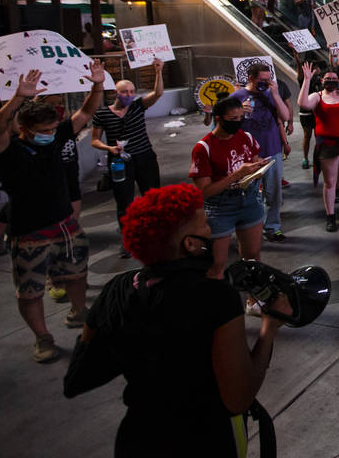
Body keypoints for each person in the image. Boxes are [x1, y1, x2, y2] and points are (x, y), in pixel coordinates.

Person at [63, 183, 290, 456]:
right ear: (190, 244)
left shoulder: (118, 290)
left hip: (139, 438)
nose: (211, 230)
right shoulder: (216, 297)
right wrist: (270, 326)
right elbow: (239, 397)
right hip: (203, 439)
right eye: (205, 225)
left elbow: (77, 377)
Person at [0, 63, 106, 362]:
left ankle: (79, 312)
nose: (51, 135)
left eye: (53, 129)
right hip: (29, 233)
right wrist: (16, 99)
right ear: (24, 129)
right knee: (30, 291)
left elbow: (86, 114)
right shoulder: (8, 152)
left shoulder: (57, 138)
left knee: (77, 274)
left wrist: (98, 86)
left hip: (66, 226)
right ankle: (43, 337)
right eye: (44, 131)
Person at [189, 96, 271, 286]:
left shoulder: (246, 137)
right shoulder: (204, 148)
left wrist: (257, 170)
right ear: (218, 118)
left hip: (248, 200)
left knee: (253, 256)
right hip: (220, 207)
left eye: (241, 118)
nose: (238, 123)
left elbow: (254, 162)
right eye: (233, 119)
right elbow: (204, 192)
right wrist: (235, 176)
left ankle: (253, 298)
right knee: (217, 264)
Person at [90, 61, 165, 256]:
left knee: (152, 196)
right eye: (125, 92)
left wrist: (158, 71)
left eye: (132, 91)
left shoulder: (137, 107)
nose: (129, 95)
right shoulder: (103, 113)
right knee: (124, 201)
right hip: (120, 160)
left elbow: (157, 94)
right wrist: (109, 148)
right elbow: (95, 140)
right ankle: (128, 239)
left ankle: (156, 234)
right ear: (116, 93)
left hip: (145, 157)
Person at [225, 64, 291, 243]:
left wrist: (276, 95)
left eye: (268, 79)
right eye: (261, 80)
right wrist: (238, 112)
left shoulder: (271, 94)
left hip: (272, 150)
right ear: (251, 78)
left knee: (274, 193)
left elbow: (285, 117)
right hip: (247, 156)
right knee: (249, 194)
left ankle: (272, 227)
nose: (265, 83)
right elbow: (224, 124)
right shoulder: (237, 97)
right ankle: (250, 228)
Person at [297, 64, 339, 232]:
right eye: (327, 79)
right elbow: (303, 104)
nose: (330, 82)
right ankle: (331, 216)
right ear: (322, 81)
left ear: (338, 81)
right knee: (330, 182)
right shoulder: (317, 96)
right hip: (327, 145)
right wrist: (306, 80)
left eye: (334, 79)